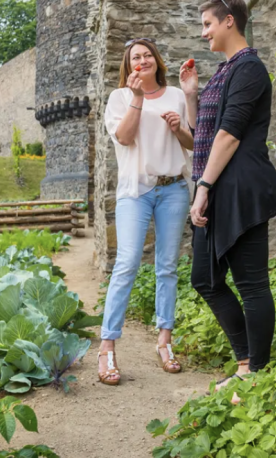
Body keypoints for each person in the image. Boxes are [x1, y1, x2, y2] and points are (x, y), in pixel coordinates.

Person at [179, 0, 276, 392]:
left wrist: (203, 187)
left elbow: (229, 134)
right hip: (217, 185)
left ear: (229, 22)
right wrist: (192, 94)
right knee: (205, 278)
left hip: (239, 188)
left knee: (251, 282)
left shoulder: (250, 69)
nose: (203, 31)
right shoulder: (224, 72)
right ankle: (246, 360)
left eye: (207, 23)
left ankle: (254, 371)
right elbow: (201, 136)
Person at [99, 38, 193, 386]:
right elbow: (123, 138)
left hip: (173, 190)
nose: (142, 60)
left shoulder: (176, 96)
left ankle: (165, 342)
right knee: (126, 263)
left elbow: (193, 143)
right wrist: (137, 99)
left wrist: (178, 128)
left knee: (167, 266)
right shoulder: (120, 97)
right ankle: (107, 346)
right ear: (129, 66)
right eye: (135, 57)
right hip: (135, 191)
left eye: (147, 54)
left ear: (156, 60)